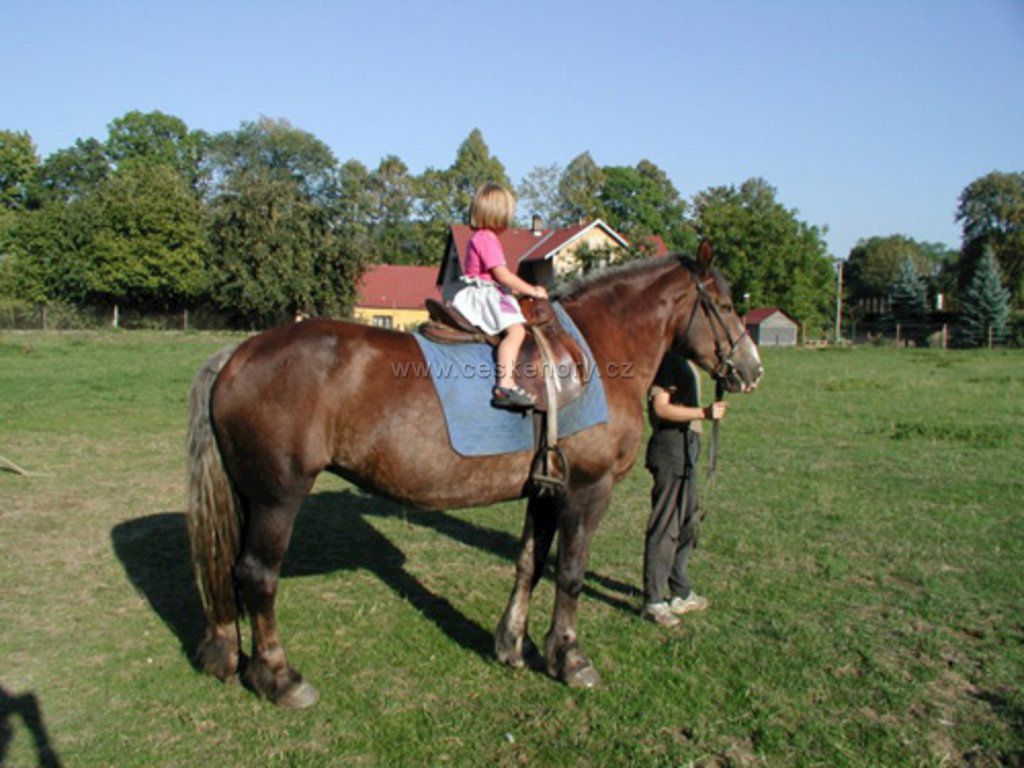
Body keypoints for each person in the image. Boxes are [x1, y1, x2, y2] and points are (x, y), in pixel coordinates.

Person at [641, 348, 727, 627]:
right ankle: (654, 601)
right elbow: (661, 407)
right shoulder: (668, 358)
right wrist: (704, 412)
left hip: (688, 443)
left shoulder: (686, 360)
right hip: (671, 445)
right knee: (666, 524)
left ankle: (680, 592)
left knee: (687, 521)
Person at [449, 182, 548, 410]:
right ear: (498, 213)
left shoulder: (480, 237)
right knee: (516, 332)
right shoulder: (487, 239)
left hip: (485, 290)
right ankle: (505, 385)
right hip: (485, 296)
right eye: (508, 213)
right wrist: (532, 290)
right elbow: (502, 275)